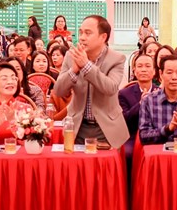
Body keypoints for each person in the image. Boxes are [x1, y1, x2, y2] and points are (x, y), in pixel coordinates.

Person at [53, 15, 129, 149]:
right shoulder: (71, 56)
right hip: (77, 126)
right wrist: (74, 70)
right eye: (81, 32)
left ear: (103, 37)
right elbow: (58, 91)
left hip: (106, 128)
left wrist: (86, 65)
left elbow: (110, 88)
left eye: (88, 33)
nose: (82, 37)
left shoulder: (117, 58)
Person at [119, 54, 156, 142]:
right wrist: (140, 104)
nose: (143, 70)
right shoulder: (124, 94)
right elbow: (123, 120)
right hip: (133, 138)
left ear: (154, 71)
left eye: (148, 66)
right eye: (140, 66)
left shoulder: (160, 92)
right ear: (134, 71)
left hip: (156, 137)